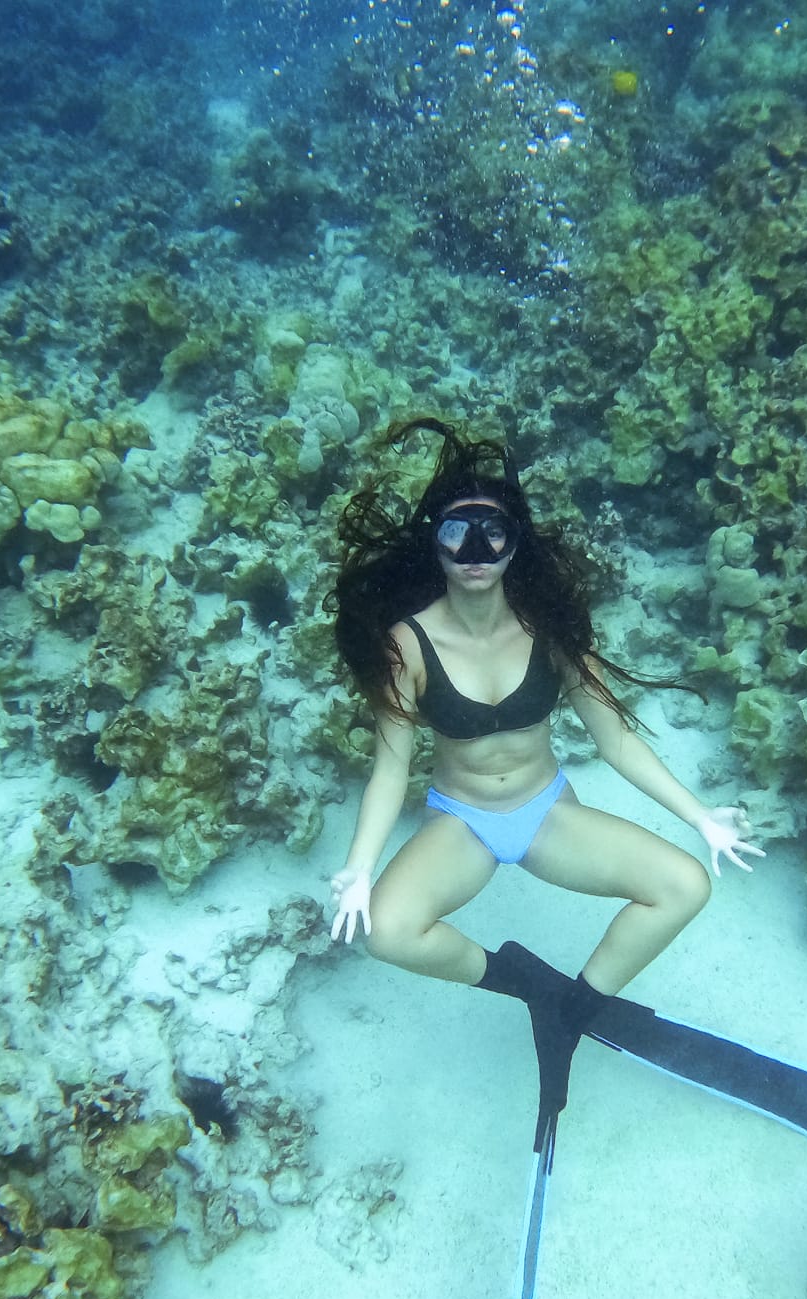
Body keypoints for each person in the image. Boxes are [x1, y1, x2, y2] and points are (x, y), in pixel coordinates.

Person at [324, 418, 765, 1138]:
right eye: (456, 532)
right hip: (460, 822)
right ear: (434, 542)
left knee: (685, 885)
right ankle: (527, 982)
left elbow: (616, 742)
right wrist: (358, 867)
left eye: (491, 533)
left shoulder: (549, 627)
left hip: (546, 813)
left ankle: (572, 1013)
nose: (474, 552)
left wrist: (701, 815)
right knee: (390, 933)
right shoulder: (406, 642)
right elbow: (390, 767)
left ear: (515, 542)